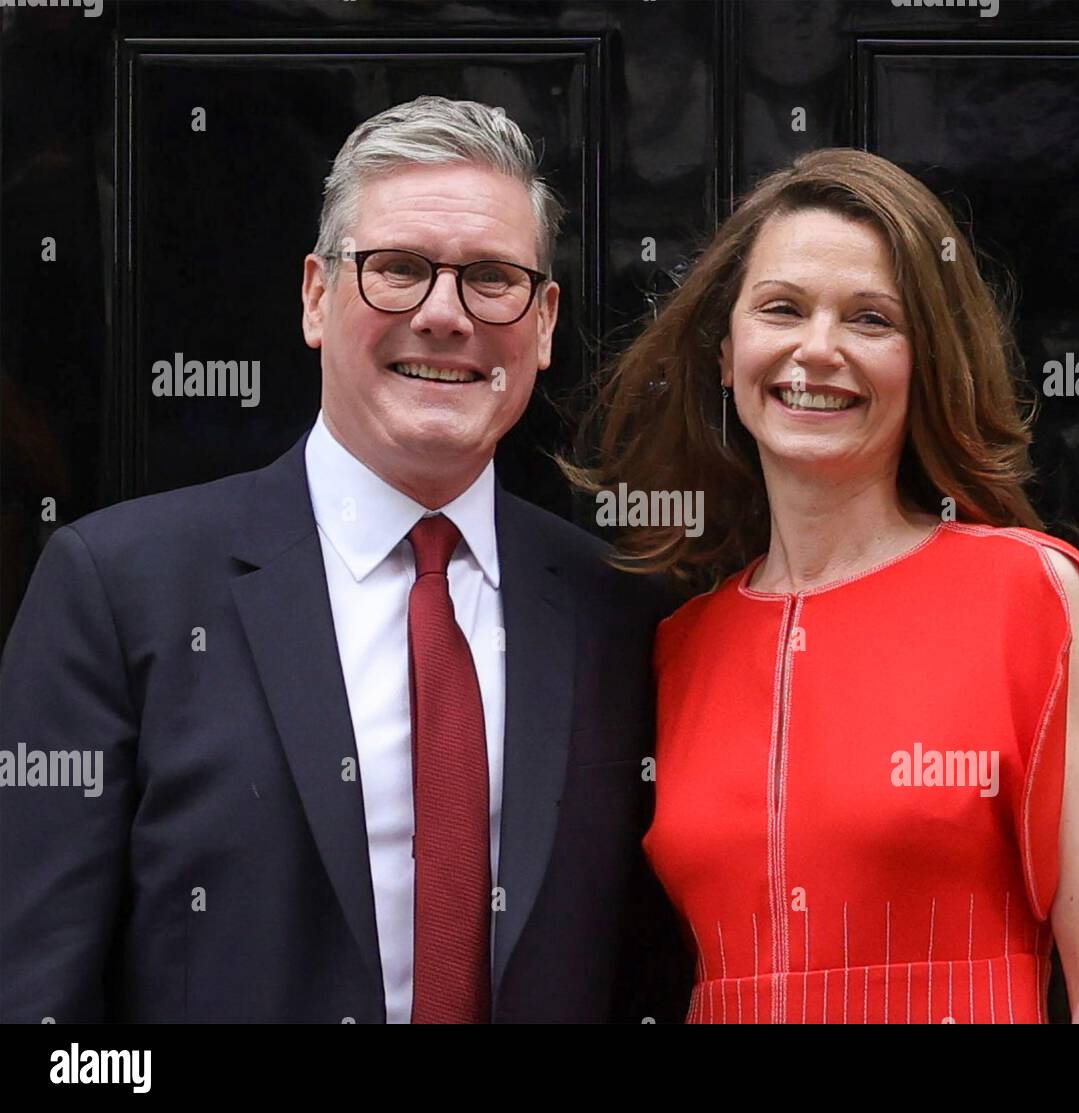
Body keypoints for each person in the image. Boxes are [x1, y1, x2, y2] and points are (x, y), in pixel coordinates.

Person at [0, 95, 691, 1024]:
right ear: (317, 297)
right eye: (398, 270)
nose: (445, 316)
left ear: (543, 322)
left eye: (491, 278)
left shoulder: (622, 611)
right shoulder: (121, 589)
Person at [565, 148, 1079, 1023]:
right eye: (782, 309)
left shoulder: (1031, 595)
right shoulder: (682, 645)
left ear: (924, 359)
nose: (816, 350)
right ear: (725, 353)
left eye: (870, 319)